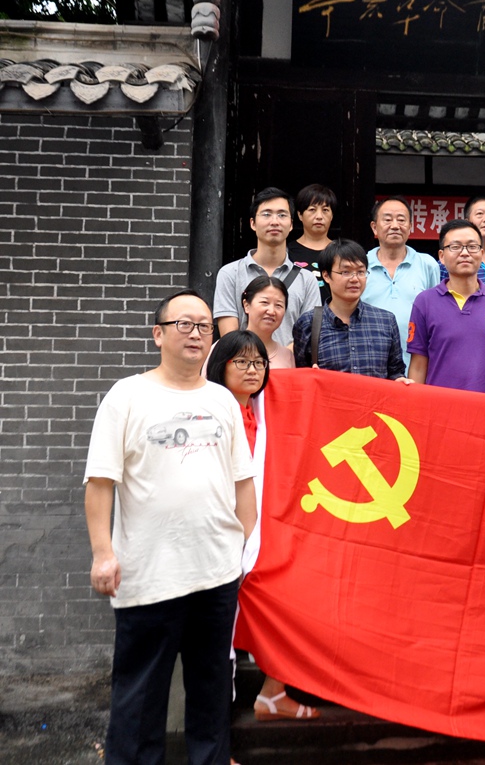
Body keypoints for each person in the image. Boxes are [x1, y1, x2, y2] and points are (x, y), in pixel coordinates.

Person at [84, 290, 256, 765]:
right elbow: (100, 482)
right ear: (157, 334)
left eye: (204, 325)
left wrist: (241, 547)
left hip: (216, 574)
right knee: (139, 698)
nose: (196, 333)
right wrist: (103, 553)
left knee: (211, 693)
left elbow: (243, 482)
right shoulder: (127, 396)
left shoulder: (222, 400)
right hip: (148, 575)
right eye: (184, 324)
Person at [206, 331, 320, 724]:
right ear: (220, 366)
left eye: (259, 362)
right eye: (241, 362)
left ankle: (273, 691)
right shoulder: (210, 412)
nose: (252, 370)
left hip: (262, 532)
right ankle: (216, 738)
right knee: (219, 636)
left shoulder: (266, 408)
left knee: (290, 600)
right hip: (221, 536)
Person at [407, 219, 485, 395]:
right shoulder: (425, 302)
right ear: (441, 256)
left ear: (481, 253)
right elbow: (418, 366)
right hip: (439, 406)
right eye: (455, 247)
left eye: (472, 247)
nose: (465, 253)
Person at [213, 187, 320, 345]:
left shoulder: (307, 280)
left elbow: (307, 336)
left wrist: (281, 357)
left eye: (282, 215)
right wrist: (254, 358)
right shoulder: (230, 273)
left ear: (291, 224)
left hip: (290, 361)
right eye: (266, 214)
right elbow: (229, 336)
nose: (274, 222)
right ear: (253, 223)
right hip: (243, 359)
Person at [292, 239, 407, 380]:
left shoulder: (386, 321)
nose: (355, 279)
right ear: (326, 275)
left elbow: (396, 372)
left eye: (360, 272)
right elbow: (300, 376)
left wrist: (400, 380)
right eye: (346, 272)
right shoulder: (308, 323)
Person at [363, 196, 440, 367]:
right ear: (374, 227)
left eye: (401, 220)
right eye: (387, 220)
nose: (395, 226)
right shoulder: (361, 265)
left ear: (410, 227)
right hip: (370, 363)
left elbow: (436, 315)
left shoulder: (427, 264)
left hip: (416, 364)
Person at [287, 183, 337, 304]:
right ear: (300, 215)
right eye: (312, 210)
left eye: (325, 210)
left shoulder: (341, 251)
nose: (319, 216)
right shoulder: (287, 252)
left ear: (332, 215)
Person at [240, 276, 295, 369]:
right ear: (246, 305)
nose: (271, 311)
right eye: (265, 302)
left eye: (278, 305)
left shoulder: (288, 356)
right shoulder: (225, 347)